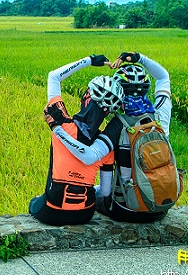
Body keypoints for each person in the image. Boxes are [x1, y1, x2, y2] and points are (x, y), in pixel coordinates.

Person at [44, 51, 173, 223]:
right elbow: (163, 76)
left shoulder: (118, 125)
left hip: (128, 208)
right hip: (161, 206)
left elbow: (90, 156)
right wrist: (138, 58)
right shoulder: (160, 114)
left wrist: (57, 128)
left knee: (96, 196)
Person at [28, 54, 124, 226]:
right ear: (108, 112)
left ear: (87, 97)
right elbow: (104, 191)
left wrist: (89, 60)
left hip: (52, 211)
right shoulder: (105, 146)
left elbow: (54, 76)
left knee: (34, 203)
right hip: (84, 214)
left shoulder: (62, 122)